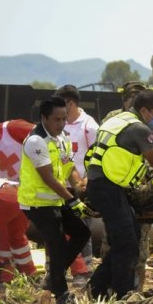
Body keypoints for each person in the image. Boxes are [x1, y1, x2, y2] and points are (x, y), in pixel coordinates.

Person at [0, 112, 91, 286]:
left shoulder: (13, 128)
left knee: (56, 230)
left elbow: (45, 140)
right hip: (14, 195)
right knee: (10, 234)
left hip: (41, 189)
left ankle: (80, 272)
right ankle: (15, 277)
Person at [85, 90, 153, 299]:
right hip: (108, 189)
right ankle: (123, 295)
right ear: (144, 110)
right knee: (128, 245)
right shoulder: (139, 128)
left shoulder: (118, 120)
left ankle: (96, 289)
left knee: (126, 238)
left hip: (105, 186)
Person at [17, 96, 92, 304]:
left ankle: (53, 276)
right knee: (57, 245)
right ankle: (61, 294)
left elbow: (69, 168)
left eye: (63, 119)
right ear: (44, 118)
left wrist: (79, 185)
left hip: (56, 199)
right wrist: (72, 200)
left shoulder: (63, 138)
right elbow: (48, 177)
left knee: (82, 233)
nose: (61, 124)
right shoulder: (35, 141)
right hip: (37, 203)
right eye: (56, 120)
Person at [53, 84, 99, 276]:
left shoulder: (89, 126)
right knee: (60, 229)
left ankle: (85, 270)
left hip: (81, 187)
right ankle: (63, 269)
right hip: (59, 186)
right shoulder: (57, 125)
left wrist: (87, 181)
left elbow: (97, 157)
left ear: (70, 103)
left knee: (82, 228)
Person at [103, 81, 153, 147]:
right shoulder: (113, 116)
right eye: (133, 97)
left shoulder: (151, 116)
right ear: (125, 100)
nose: (137, 101)